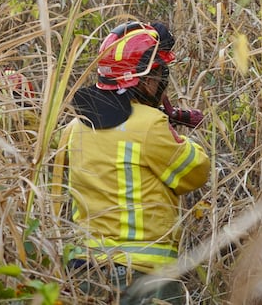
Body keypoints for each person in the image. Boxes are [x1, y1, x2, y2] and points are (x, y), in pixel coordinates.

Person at [57, 21, 210, 304]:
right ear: (147, 79)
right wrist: (174, 130)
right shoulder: (151, 125)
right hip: (140, 276)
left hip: (82, 272)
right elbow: (195, 173)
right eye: (159, 73)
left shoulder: (74, 128)